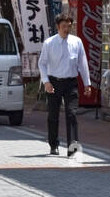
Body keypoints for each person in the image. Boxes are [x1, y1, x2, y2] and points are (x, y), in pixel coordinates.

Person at [38, 12, 91, 157]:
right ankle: (53, 145)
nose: (66, 29)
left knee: (72, 113)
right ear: (57, 27)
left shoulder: (77, 42)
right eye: (63, 27)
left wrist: (87, 84)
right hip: (54, 81)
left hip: (71, 83)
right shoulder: (49, 43)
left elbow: (82, 63)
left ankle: (72, 147)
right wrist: (46, 81)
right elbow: (42, 63)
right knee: (53, 114)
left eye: (69, 26)